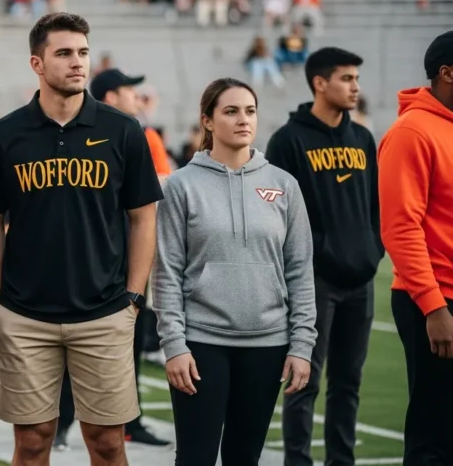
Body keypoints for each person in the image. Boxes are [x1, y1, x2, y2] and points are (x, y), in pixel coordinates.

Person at [0, 12, 162, 466]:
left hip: (103, 312)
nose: (78, 62)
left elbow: (143, 218)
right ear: (37, 63)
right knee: (34, 442)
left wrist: (133, 297)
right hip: (25, 313)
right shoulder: (4, 135)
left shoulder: (122, 130)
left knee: (107, 442)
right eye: (64, 53)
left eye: (82, 52)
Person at [153, 77, 317, 466]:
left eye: (250, 111)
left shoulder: (284, 185)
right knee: (196, 457)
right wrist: (174, 345)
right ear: (208, 121)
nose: (244, 120)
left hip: (267, 344)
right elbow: (167, 273)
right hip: (201, 343)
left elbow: (300, 270)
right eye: (231, 111)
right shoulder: (180, 186)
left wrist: (302, 345)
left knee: (245, 458)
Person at [268, 47, 384, 466]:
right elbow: (277, 213)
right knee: (304, 379)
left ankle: (342, 461)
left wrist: (373, 249)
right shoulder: (288, 140)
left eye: (356, 78)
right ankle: (297, 461)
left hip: (360, 279)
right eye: (346, 79)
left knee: (348, 383)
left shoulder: (362, 137)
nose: (355, 87)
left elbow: (375, 204)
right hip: (313, 281)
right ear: (320, 83)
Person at [49, 67, 175, 451]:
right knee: (77, 345)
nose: (136, 96)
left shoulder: (136, 132)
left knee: (130, 342)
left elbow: (159, 189)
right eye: (127, 90)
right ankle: (62, 422)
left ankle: (127, 420)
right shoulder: (109, 132)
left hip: (126, 251)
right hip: (93, 254)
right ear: (109, 96)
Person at [379, 30, 453, 464]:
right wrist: (434, 308)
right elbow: (400, 228)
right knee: (435, 432)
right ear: (446, 73)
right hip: (436, 300)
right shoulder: (411, 132)